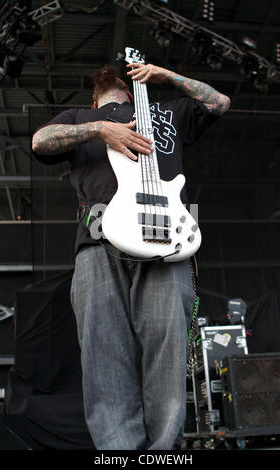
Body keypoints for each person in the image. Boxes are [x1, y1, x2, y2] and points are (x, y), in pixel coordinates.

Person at [32, 61, 230, 450]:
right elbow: (40, 141)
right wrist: (99, 129)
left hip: (166, 242)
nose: (115, 75)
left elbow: (220, 103)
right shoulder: (81, 117)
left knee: (169, 351)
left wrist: (168, 77)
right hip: (99, 242)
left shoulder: (166, 111)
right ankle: (119, 451)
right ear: (95, 97)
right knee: (104, 354)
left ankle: (163, 452)